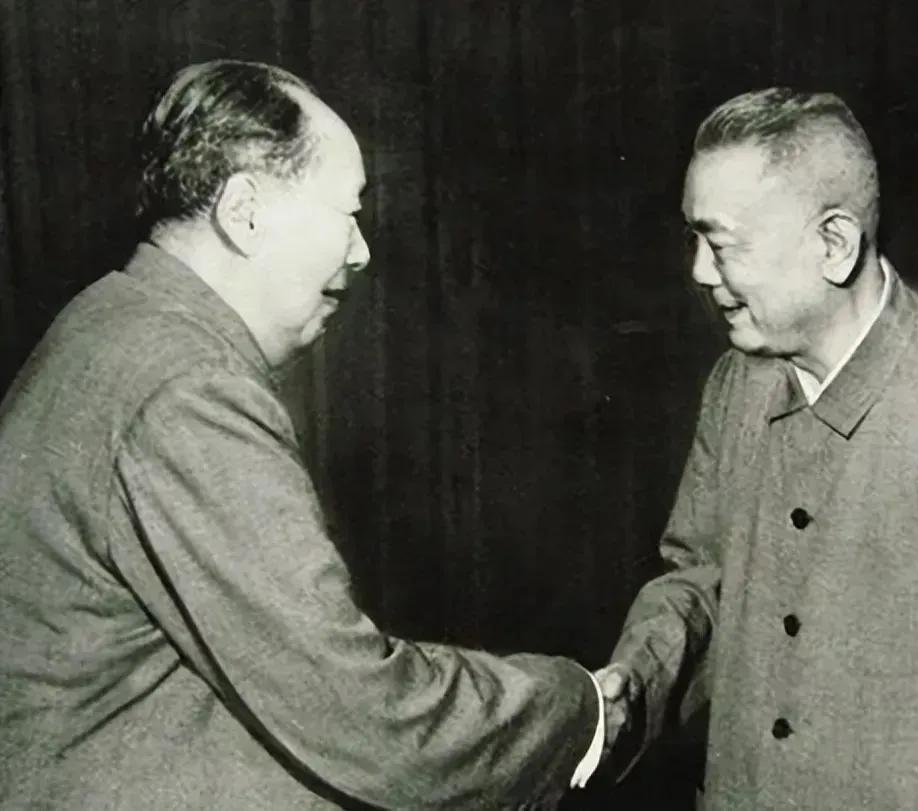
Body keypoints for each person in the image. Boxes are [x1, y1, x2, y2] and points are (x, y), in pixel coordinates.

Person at [0, 60, 603, 810]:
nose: (361, 251)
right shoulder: (190, 387)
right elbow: (368, 722)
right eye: (347, 212)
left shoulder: (109, 320)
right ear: (245, 212)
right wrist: (575, 707)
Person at [595, 87, 918, 809]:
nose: (699, 270)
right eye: (693, 239)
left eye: (720, 244)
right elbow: (703, 581)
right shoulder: (735, 385)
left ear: (834, 245)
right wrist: (627, 687)